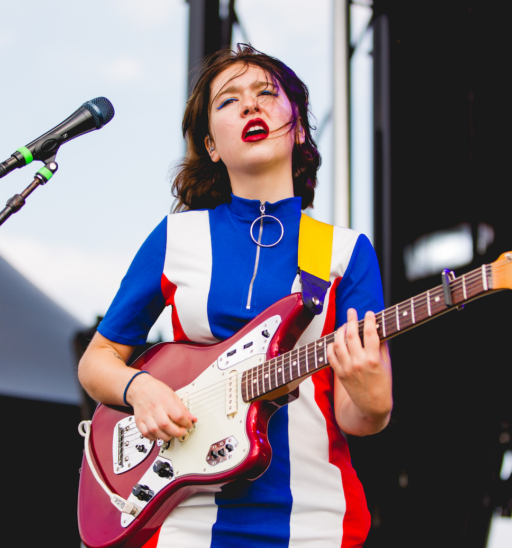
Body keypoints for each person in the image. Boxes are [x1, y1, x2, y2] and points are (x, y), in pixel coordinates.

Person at [78, 44, 392, 548]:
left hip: (313, 522)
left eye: (267, 93)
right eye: (228, 100)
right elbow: (97, 362)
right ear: (212, 146)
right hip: (186, 521)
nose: (250, 105)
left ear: (301, 129)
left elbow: (356, 417)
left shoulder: (344, 251)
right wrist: (139, 388)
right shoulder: (175, 239)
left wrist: (373, 397)